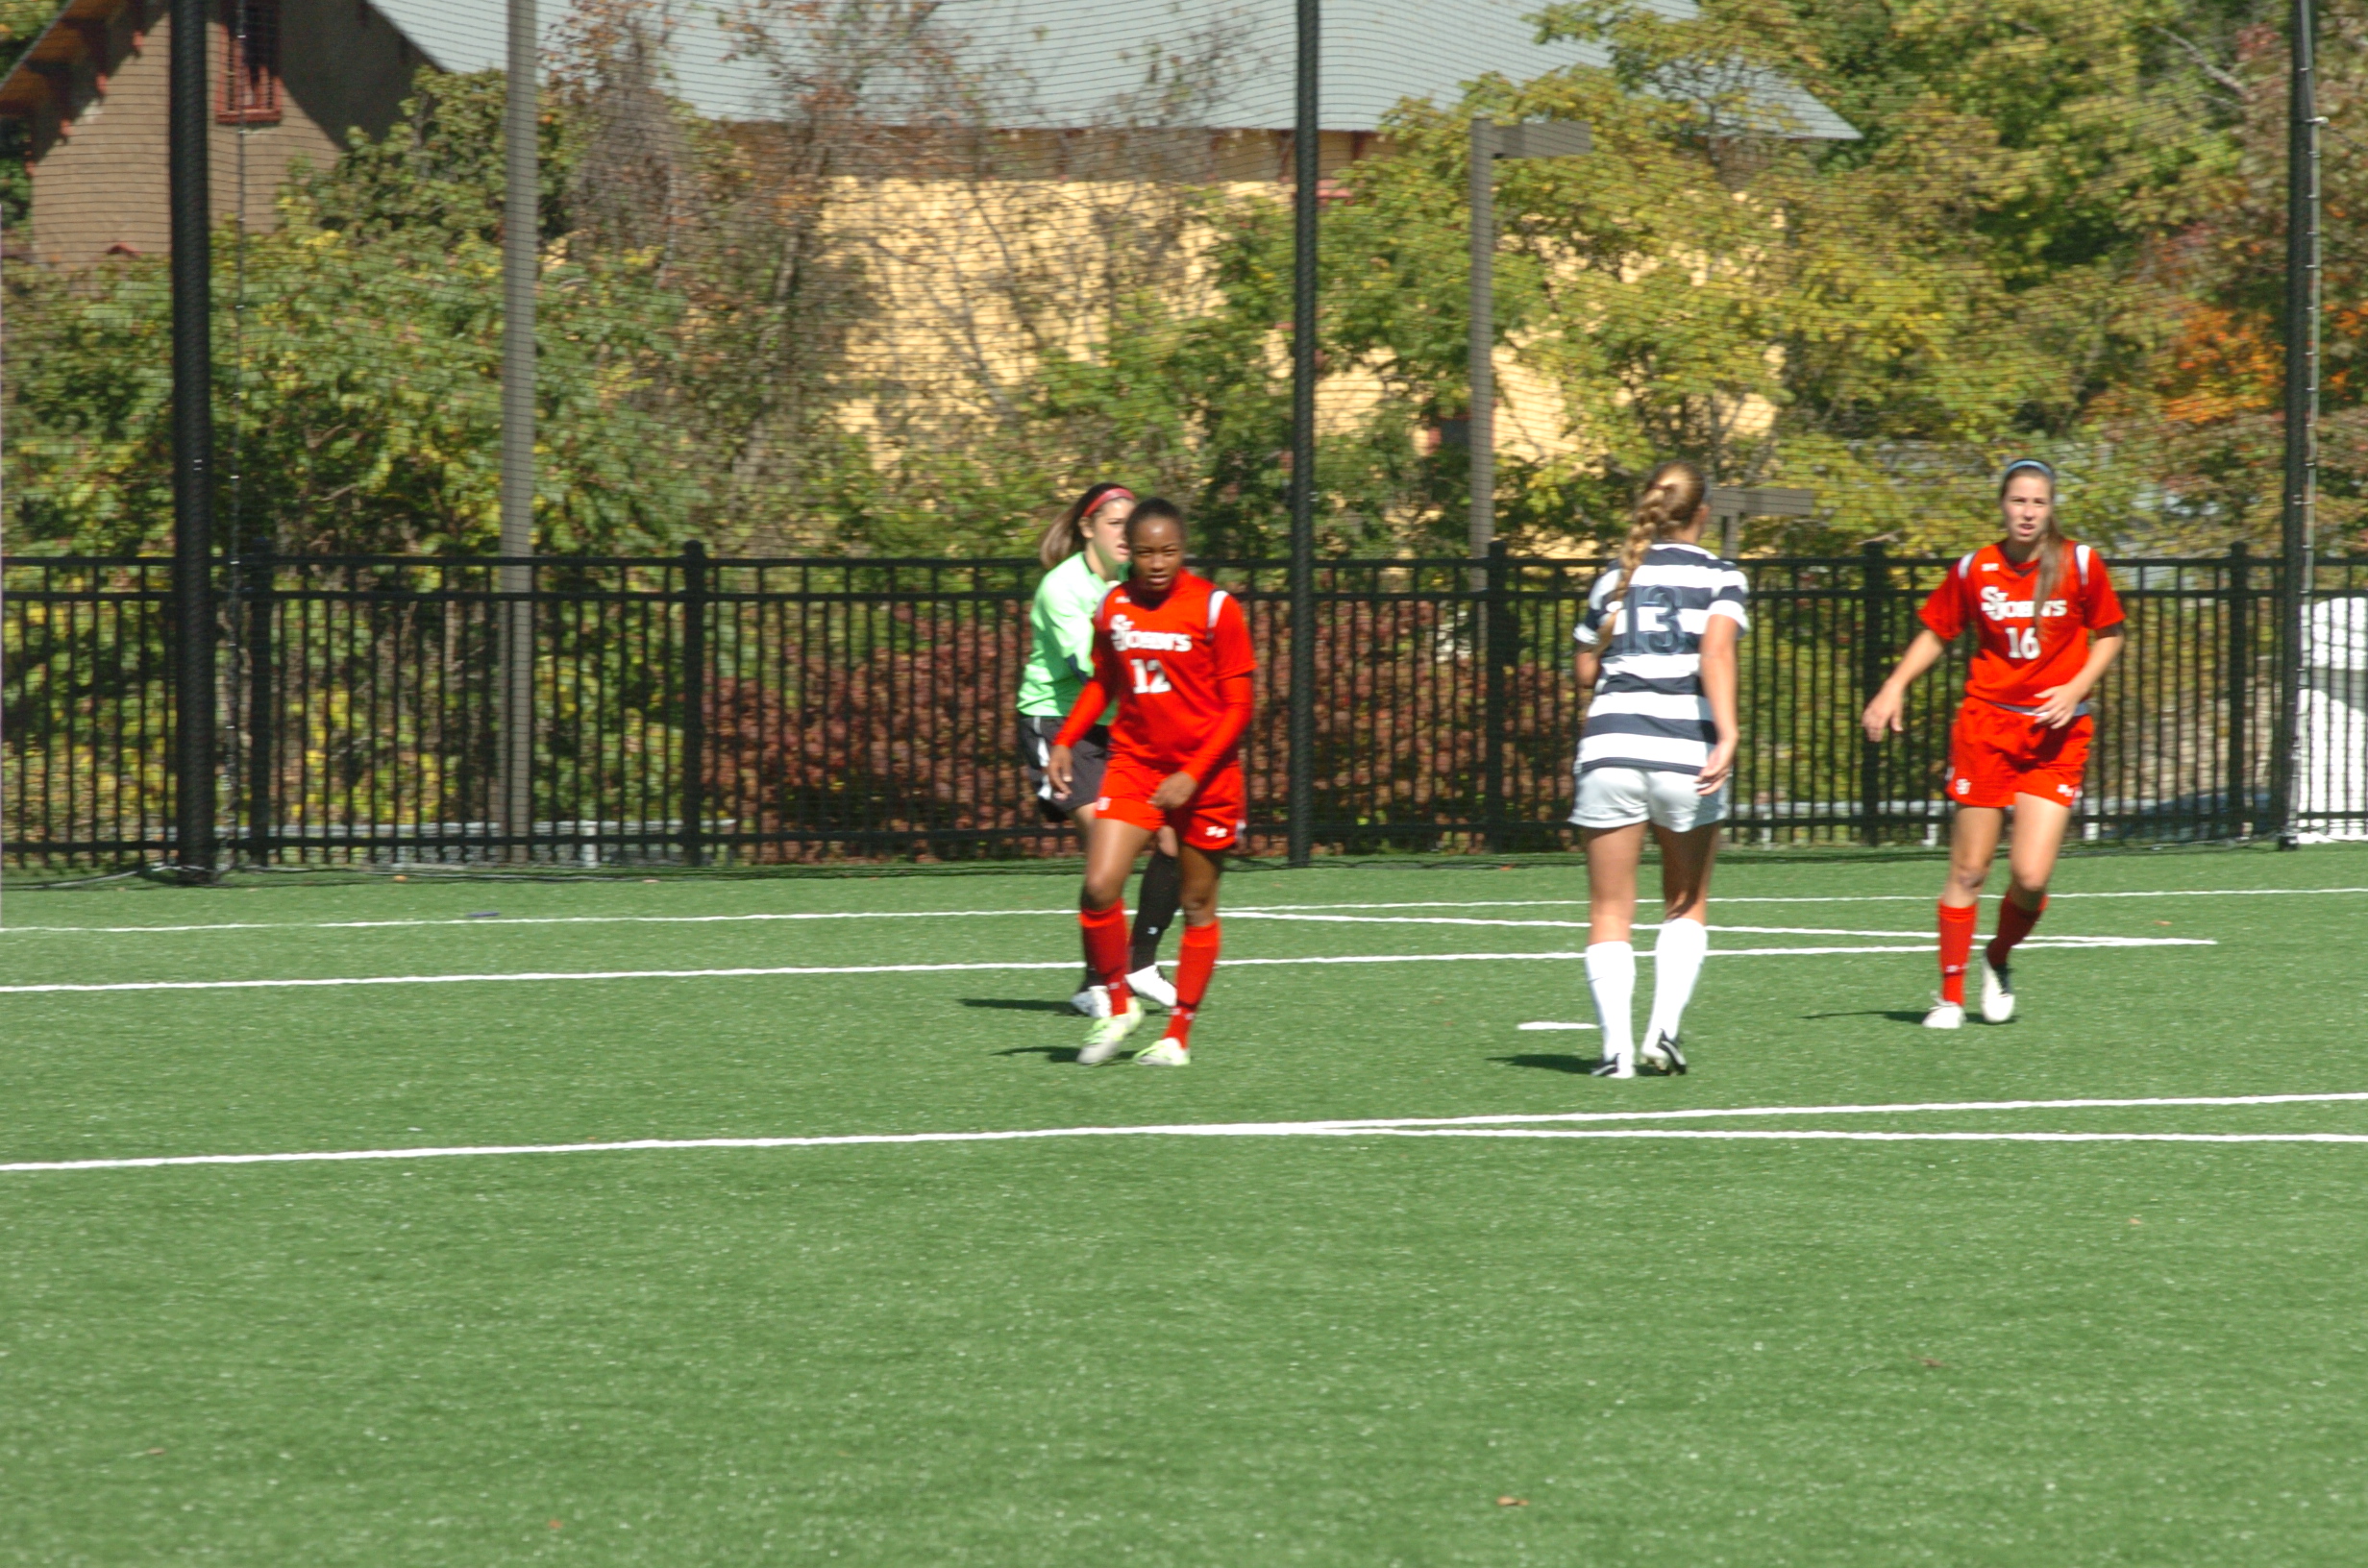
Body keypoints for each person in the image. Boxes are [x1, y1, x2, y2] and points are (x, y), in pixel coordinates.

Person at [1861, 457, 2126, 1029]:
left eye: (2038, 502)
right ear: (2002, 506)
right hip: (1987, 727)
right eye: (2018, 500)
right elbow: (1936, 631)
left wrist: (2074, 687)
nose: (2027, 512)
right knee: (1969, 870)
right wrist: (1893, 686)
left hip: (2055, 735)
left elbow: (2110, 635)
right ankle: (1949, 996)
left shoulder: (2080, 563)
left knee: (2030, 876)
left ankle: (1998, 958)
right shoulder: (1974, 568)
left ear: (2051, 509)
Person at [1047, 499, 1254, 1066]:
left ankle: (1177, 1035)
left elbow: (1239, 707)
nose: (1157, 563)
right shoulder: (1114, 605)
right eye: (1144, 552)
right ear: (1129, 553)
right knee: (1099, 887)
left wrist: (1192, 774)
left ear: (1183, 550)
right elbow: (1103, 683)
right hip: (1135, 764)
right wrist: (1065, 739)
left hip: (1207, 775)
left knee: (1197, 902)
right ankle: (1120, 1007)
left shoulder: (1215, 608)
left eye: (1168, 551)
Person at [1571, 461, 1748, 1079]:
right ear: (1703, 514)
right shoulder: (1721, 576)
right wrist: (1729, 732)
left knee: (1609, 910)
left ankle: (1614, 1052)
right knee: (1685, 903)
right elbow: (1716, 652)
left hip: (1609, 750)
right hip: (1684, 754)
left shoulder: (1613, 577)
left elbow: (1585, 670)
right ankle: (1663, 1034)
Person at [1018, 482, 1183, 1017]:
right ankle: (1094, 984)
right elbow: (1089, 669)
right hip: (1058, 725)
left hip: (1118, 731)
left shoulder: (1138, 584)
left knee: (1174, 843)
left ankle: (1140, 964)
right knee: (1107, 849)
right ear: (1087, 528)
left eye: (1129, 526)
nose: (1125, 535)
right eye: (1114, 524)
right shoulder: (1062, 587)